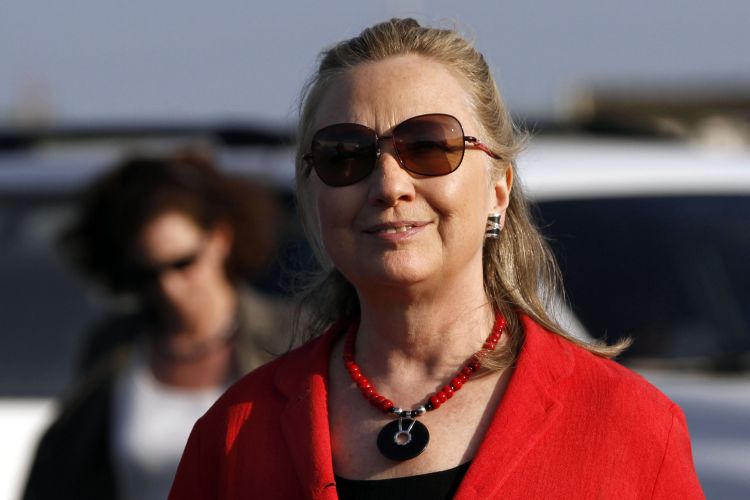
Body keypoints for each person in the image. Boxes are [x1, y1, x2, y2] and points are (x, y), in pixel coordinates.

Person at [168, 19, 704, 499]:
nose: (389, 185)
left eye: (429, 146)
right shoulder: (235, 432)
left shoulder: (632, 426)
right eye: (345, 155)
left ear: (499, 189)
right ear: (313, 199)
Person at [23, 152, 292, 500]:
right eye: (149, 273)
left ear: (220, 238)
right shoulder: (115, 350)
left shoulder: (291, 336)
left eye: (183, 263)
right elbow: (63, 472)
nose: (169, 287)